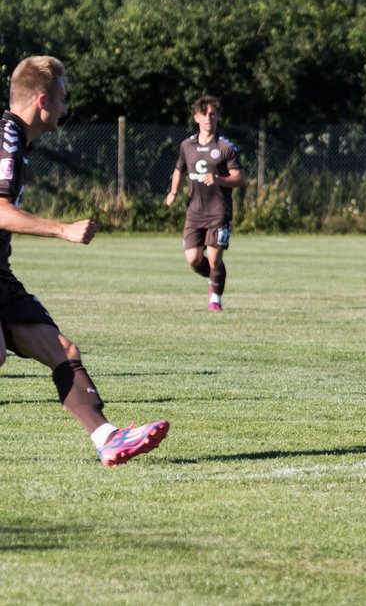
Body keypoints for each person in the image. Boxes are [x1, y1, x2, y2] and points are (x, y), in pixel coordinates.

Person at [0, 56, 169, 466]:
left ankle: (107, 437)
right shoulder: (7, 136)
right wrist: (62, 229)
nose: (65, 108)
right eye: (61, 99)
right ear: (42, 100)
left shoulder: (16, 140)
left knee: (63, 351)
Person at [165, 96, 244, 311]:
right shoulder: (186, 146)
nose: (209, 118)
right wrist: (173, 192)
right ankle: (215, 278)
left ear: (217, 117)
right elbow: (179, 170)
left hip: (219, 211)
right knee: (193, 259)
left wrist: (220, 179)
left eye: (213, 114)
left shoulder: (225, 147)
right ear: (196, 117)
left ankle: (215, 298)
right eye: (204, 114)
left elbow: (239, 178)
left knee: (215, 258)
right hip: (195, 211)